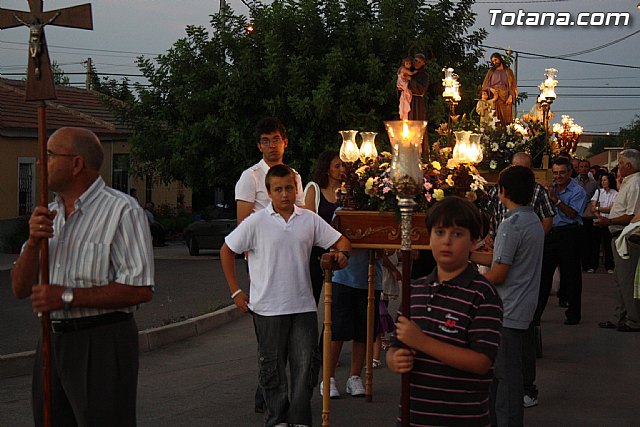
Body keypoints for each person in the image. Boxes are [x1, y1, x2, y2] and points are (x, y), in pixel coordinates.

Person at [11, 127, 154, 426]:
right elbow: (19, 288)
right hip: (52, 340)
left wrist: (66, 296)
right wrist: (34, 243)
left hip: (101, 341)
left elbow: (139, 289)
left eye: (49, 155)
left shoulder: (122, 211)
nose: (40, 162)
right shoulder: (48, 214)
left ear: (76, 164)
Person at [220, 164, 351, 427]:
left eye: (289, 188)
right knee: (273, 368)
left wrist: (341, 255)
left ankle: (300, 418)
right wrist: (236, 291)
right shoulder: (256, 222)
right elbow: (226, 250)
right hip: (267, 308)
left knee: (305, 367)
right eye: (278, 189)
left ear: (296, 189)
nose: (284, 194)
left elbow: (342, 242)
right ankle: (277, 418)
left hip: (302, 305)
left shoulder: (308, 219)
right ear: (268, 192)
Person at [387, 197, 503, 426]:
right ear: (429, 237)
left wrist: (422, 342)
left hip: (461, 417)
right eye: (439, 232)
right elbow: (396, 346)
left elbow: (481, 362)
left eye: (457, 234)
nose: (447, 241)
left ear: (473, 242)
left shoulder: (482, 294)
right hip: (416, 417)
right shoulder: (415, 291)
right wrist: (394, 360)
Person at [235, 117, 305, 413]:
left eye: (275, 139)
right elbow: (241, 226)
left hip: (293, 262)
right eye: (265, 140)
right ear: (258, 145)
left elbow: (301, 215)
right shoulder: (250, 177)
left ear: (285, 142)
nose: (271, 146)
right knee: (268, 333)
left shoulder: (294, 176)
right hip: (263, 263)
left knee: (292, 333)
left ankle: (277, 391)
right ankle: (268, 392)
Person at [482, 166, 544, 427]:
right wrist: (469, 256)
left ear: (502, 191)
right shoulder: (534, 221)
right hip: (524, 304)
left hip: (508, 307)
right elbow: (504, 260)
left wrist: (468, 280)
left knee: (505, 380)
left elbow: (498, 273)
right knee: (506, 375)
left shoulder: (511, 225)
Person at [322, 249, 383, 398]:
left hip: (371, 278)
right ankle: (328, 378)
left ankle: (354, 377)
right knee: (337, 330)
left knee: (364, 331)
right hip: (342, 276)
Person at [597, 149, 640, 332]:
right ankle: (619, 317)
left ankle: (634, 320)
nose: (618, 166)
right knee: (620, 280)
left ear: (630, 165)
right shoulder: (628, 182)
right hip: (618, 234)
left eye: (621, 163)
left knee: (627, 279)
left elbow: (632, 214)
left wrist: (610, 221)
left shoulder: (635, 183)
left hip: (627, 235)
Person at [541, 157, 588, 325]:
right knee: (544, 274)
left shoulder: (578, 191)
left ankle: (574, 313)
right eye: (555, 173)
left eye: (562, 172)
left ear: (569, 172)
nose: (558, 176)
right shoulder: (549, 188)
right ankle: (536, 314)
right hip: (551, 234)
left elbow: (573, 214)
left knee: (572, 275)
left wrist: (556, 200)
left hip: (570, 234)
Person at [304, 150, 344, 304]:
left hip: (339, 251)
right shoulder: (314, 189)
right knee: (312, 297)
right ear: (327, 169)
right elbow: (309, 222)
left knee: (336, 301)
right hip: (318, 252)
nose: (342, 170)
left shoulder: (346, 191)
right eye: (337, 166)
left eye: (343, 166)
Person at [590, 172, 618, 274]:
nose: (603, 182)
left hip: (608, 222)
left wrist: (598, 208)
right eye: (602, 180)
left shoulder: (615, 193)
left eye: (605, 180)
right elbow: (592, 207)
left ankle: (609, 266)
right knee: (595, 244)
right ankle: (593, 265)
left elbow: (611, 208)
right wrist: (599, 215)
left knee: (608, 245)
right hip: (598, 220)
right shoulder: (598, 192)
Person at [482, 52, 517, 126]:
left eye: (495, 60)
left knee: (506, 119)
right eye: (493, 61)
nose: (494, 62)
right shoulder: (491, 71)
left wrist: (511, 96)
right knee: (494, 118)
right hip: (494, 97)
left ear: (499, 59)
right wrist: (491, 89)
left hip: (505, 97)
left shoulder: (508, 71)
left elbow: (512, 85)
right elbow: (485, 85)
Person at [576, 159, 599, 272]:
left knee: (591, 240)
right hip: (577, 213)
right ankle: (582, 263)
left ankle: (591, 265)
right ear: (578, 168)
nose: (583, 169)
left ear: (589, 169)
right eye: (581, 166)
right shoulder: (574, 182)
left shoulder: (594, 183)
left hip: (589, 214)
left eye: (586, 167)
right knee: (580, 240)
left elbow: (597, 197)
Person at [407, 53, 429, 122]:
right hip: (405, 100)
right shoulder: (407, 71)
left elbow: (421, 90)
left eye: (419, 62)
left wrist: (411, 80)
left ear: (423, 64)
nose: (417, 63)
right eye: (416, 61)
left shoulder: (424, 76)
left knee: (416, 121)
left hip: (416, 103)